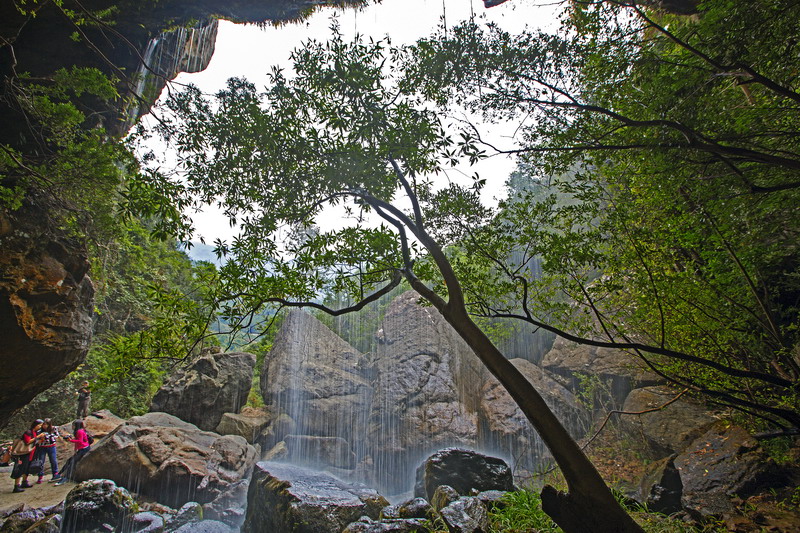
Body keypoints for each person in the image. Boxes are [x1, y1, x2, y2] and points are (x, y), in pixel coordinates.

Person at [11, 419, 44, 493]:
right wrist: (38, 437)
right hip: (23, 454)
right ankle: (16, 486)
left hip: (31, 453)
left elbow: (34, 442)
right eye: (39, 425)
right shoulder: (28, 432)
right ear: (35, 425)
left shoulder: (35, 433)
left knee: (27, 468)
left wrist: (40, 440)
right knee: (20, 468)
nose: (40, 427)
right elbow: (27, 441)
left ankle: (24, 482)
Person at [55, 419, 91, 485]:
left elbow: (80, 441)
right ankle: (59, 475)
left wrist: (70, 440)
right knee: (69, 461)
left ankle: (65, 478)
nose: (72, 426)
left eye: (73, 425)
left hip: (84, 449)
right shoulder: (80, 431)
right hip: (81, 449)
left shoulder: (80, 431)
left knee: (72, 463)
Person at [35, 419, 61, 483]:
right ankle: (40, 476)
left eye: (46, 424)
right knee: (41, 461)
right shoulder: (39, 431)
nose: (45, 426)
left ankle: (55, 474)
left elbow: (57, 436)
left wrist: (49, 436)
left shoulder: (53, 429)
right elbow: (36, 439)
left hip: (51, 446)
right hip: (42, 447)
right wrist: (41, 438)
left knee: (53, 460)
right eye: (44, 424)